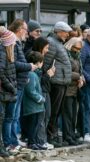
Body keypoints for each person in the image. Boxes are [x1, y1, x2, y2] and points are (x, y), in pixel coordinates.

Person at [5, 19, 37, 153]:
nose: (27, 33)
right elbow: (14, 64)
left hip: (20, 83)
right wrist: (30, 66)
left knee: (15, 116)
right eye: (26, 30)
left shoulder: (18, 43)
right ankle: (10, 142)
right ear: (19, 29)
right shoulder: (12, 43)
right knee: (11, 116)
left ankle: (13, 140)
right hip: (15, 85)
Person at [43, 21, 72, 147]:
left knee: (57, 111)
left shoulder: (58, 43)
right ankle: (50, 136)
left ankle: (53, 135)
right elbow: (46, 63)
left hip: (61, 81)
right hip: (56, 82)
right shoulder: (52, 42)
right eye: (66, 32)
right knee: (53, 111)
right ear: (58, 31)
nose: (67, 35)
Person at [31, 37, 55, 150]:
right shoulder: (34, 58)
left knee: (47, 116)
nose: (47, 50)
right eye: (46, 48)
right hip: (41, 91)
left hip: (46, 90)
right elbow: (38, 79)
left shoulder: (43, 58)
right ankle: (40, 141)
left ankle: (42, 140)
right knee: (42, 118)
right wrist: (49, 74)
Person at [22, 51, 47, 150]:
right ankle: (31, 142)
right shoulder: (31, 75)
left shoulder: (34, 74)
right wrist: (40, 99)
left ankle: (35, 142)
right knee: (32, 125)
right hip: (32, 107)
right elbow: (30, 91)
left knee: (36, 125)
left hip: (36, 107)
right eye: (42, 62)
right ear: (38, 62)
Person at [62, 37, 84, 146]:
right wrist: (79, 77)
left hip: (75, 89)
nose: (78, 50)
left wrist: (81, 78)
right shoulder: (66, 55)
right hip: (67, 89)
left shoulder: (77, 56)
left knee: (73, 115)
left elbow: (80, 70)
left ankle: (71, 134)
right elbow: (66, 72)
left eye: (80, 49)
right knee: (67, 115)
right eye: (76, 48)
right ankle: (67, 136)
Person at [0, 26, 17, 157]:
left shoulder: (7, 54)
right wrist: (11, 87)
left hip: (7, 92)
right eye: (13, 41)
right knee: (3, 119)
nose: (15, 43)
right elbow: (1, 72)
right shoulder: (3, 53)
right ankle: (3, 146)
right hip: (4, 92)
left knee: (6, 118)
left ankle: (4, 146)